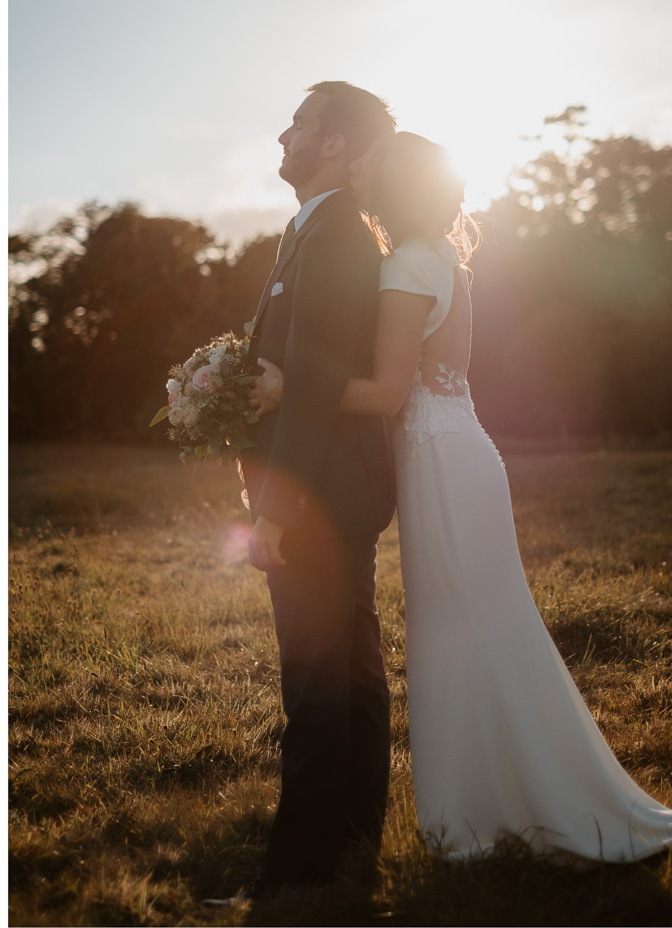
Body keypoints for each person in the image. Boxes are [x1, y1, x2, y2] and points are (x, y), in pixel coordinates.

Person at [251, 129, 672, 862]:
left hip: (438, 463)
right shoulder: (442, 254)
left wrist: (289, 386)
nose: (356, 166)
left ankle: (482, 812)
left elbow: (391, 391)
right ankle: (501, 794)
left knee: (456, 634)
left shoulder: (404, 266)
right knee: (485, 630)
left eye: (369, 161)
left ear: (390, 183)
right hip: (464, 453)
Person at [236, 82, 398, 893]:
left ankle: (297, 875)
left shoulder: (336, 238)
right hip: (334, 495)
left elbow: (315, 384)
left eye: (299, 124)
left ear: (333, 144)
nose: (284, 134)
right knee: (350, 674)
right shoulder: (315, 231)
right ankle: (352, 843)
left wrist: (274, 507)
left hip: (320, 498)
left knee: (314, 683)